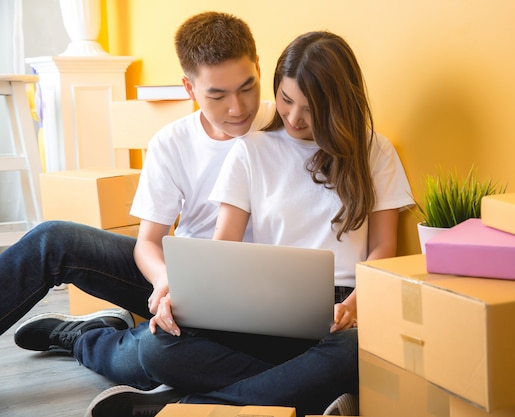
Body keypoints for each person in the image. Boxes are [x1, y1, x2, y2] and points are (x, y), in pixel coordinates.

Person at [62, 30, 413, 417]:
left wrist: (355, 303)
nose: (295, 118)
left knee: (352, 353)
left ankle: (192, 407)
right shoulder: (251, 149)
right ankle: (304, 393)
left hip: (342, 310)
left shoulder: (375, 151)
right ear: (275, 88)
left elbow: (383, 248)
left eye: (312, 109)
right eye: (286, 99)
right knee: (158, 346)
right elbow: (223, 246)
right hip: (263, 306)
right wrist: (183, 301)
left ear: (339, 103)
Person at [7, 11, 271, 354]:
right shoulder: (172, 142)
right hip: (184, 279)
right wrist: (166, 280)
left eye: (247, 87)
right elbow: (148, 242)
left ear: (259, 69)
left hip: (255, 294)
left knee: (156, 353)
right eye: (218, 95)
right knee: (51, 239)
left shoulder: (287, 126)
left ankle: (92, 336)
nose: (237, 108)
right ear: (189, 88)